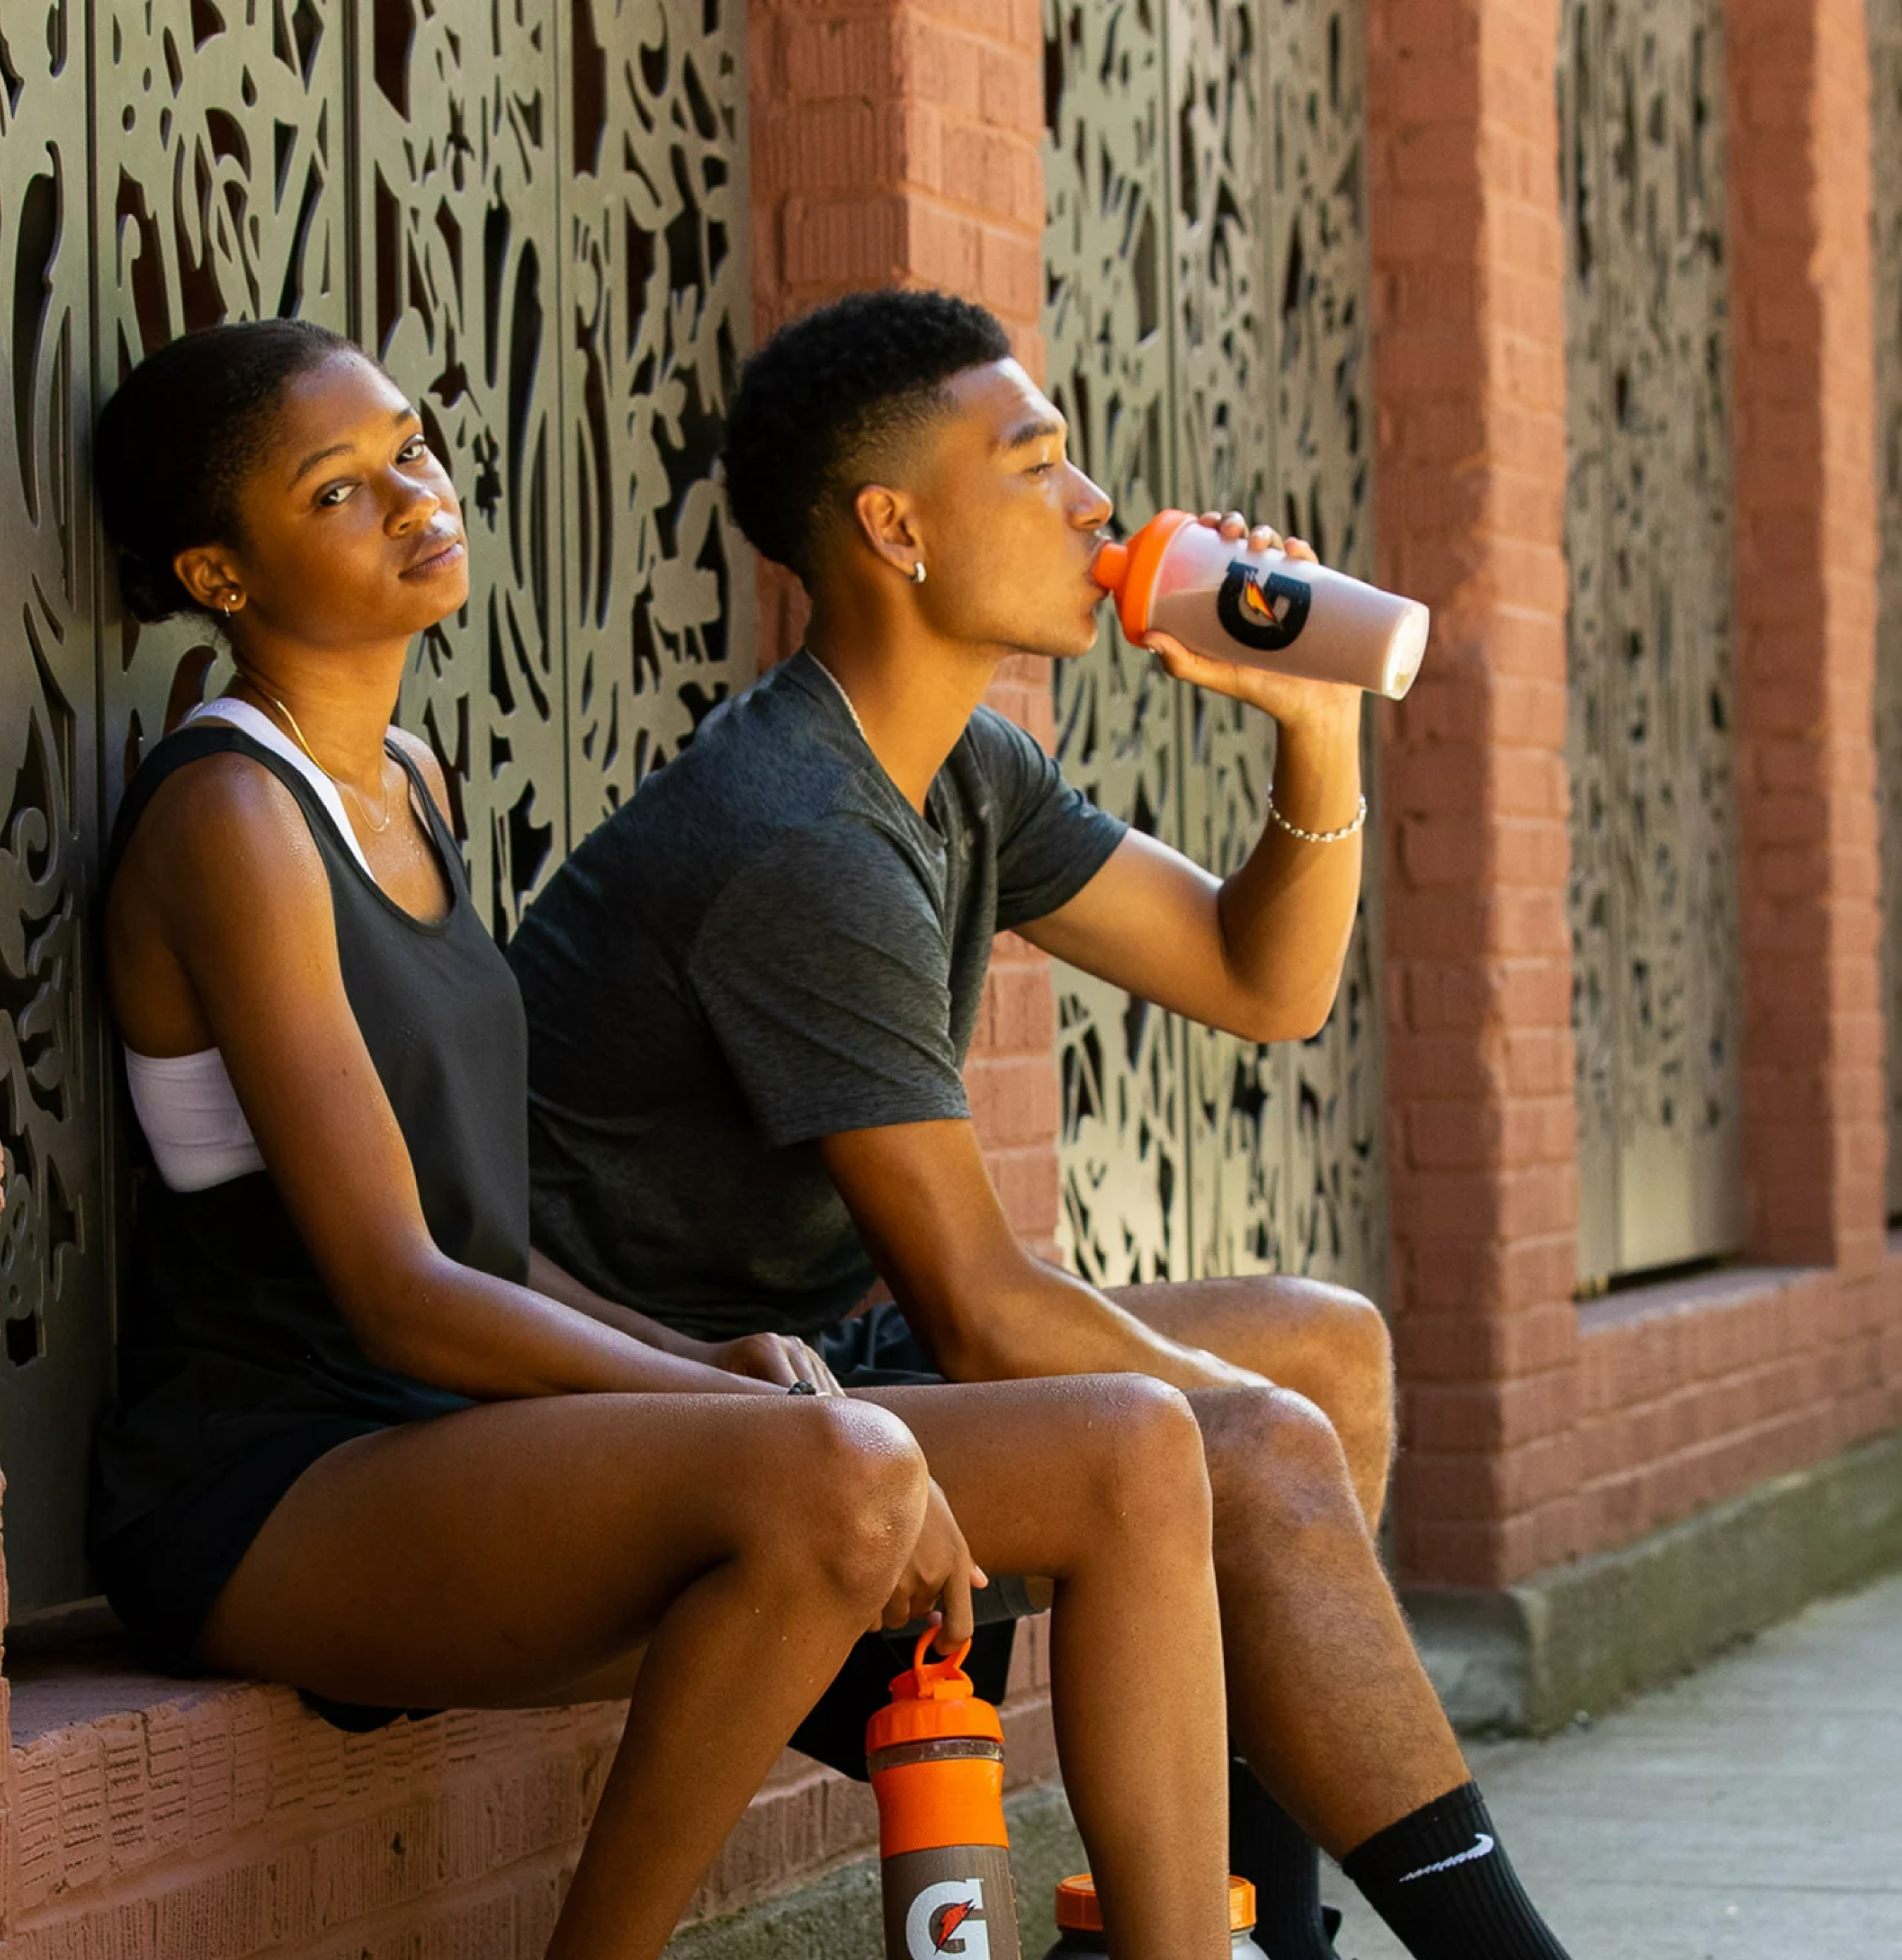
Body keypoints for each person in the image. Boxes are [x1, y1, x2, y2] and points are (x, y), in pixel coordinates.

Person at [84, 317, 1252, 1960]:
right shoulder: (232, 819)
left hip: (461, 1437)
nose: (415, 496)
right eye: (338, 491)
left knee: (1131, 1444)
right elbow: (403, 1289)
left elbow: (487, 1235)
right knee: (842, 1472)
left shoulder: (405, 778)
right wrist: (758, 1406)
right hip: (281, 1480)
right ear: (219, 569)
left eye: (411, 449)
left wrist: (747, 1359)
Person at [506, 289, 1578, 1960]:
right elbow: (981, 1310)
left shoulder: (966, 771)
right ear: (895, 527)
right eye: (1039, 463)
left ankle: (1260, 1927)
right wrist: (1252, 1441)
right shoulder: (798, 832)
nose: (1096, 506)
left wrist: (1314, 727)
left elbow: (1258, 974)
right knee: (1257, 1435)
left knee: (1325, 1355)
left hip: (826, 1353)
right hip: (664, 1406)